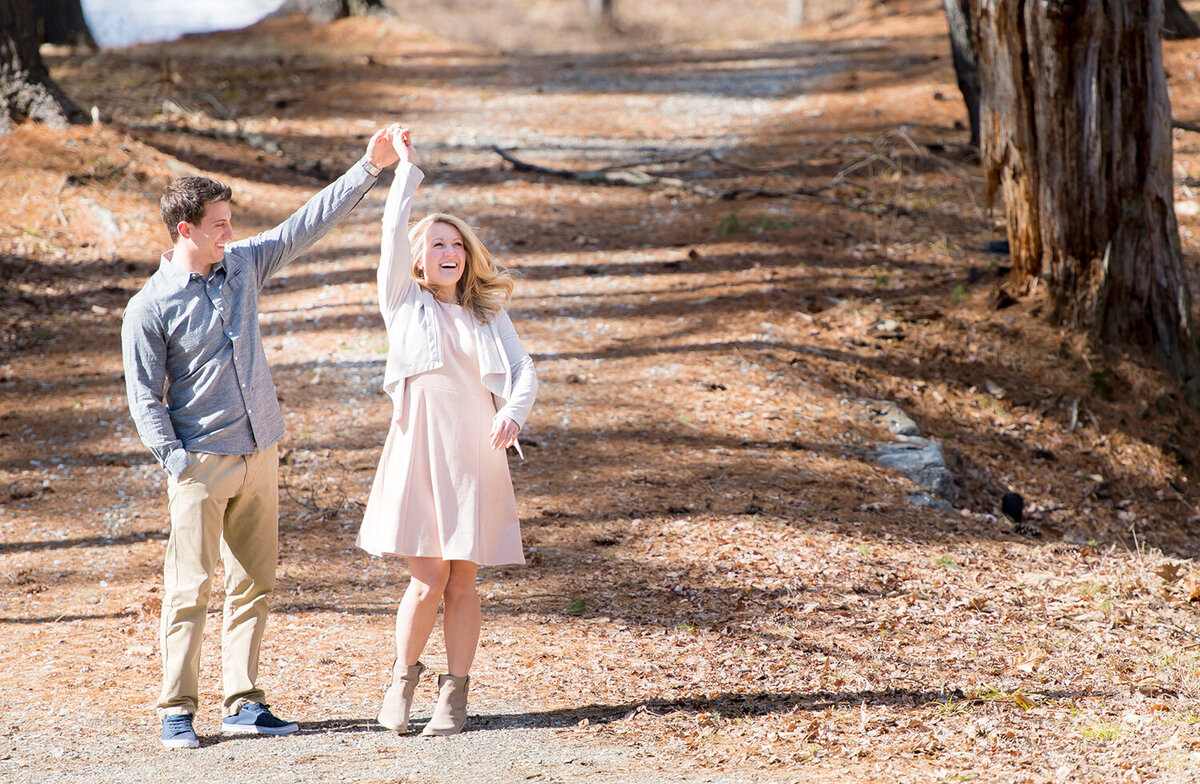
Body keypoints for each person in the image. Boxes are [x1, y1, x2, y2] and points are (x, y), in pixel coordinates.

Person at [121, 125, 404, 749]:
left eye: (230, 221)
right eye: (219, 223)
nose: (231, 232)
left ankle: (243, 702)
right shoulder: (149, 307)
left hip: (261, 453)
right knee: (188, 589)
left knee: (254, 582)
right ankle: (176, 709)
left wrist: (368, 167)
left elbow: (305, 225)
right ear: (185, 230)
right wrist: (177, 460)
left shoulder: (244, 265)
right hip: (200, 464)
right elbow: (144, 395)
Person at [356, 126, 537, 737]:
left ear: (467, 254)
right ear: (418, 258)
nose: (446, 252)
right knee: (426, 577)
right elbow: (389, 236)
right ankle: (401, 682)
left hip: (476, 455)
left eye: (454, 243)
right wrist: (406, 170)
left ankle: (455, 696)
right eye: (435, 244)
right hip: (418, 448)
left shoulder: (486, 311)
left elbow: (522, 369)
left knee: (464, 578)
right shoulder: (403, 302)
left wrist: (513, 411)